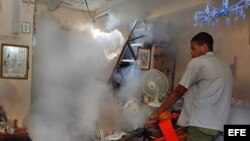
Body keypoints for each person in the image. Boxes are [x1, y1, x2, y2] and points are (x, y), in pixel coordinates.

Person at [149, 32, 233, 141]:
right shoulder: (225, 66)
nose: (192, 53)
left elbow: (179, 91)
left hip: (201, 125)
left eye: (193, 49)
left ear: (203, 48)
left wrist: (157, 112)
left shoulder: (198, 62)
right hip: (218, 127)